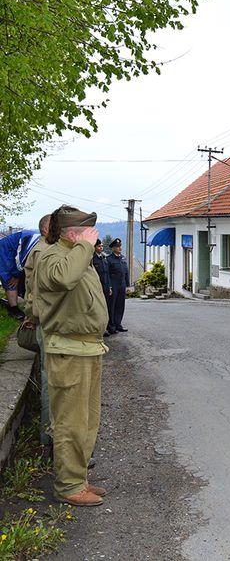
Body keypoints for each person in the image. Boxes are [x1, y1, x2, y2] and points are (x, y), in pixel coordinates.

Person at [34, 205, 109, 506]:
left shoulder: (77, 255)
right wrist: (84, 247)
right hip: (69, 350)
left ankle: (79, 478)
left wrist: (83, 249)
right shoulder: (52, 255)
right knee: (70, 422)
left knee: (87, 420)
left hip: (87, 348)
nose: (94, 235)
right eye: (88, 230)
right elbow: (63, 278)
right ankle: (68, 486)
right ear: (73, 233)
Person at [21, 215, 52, 445]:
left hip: (44, 319)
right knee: (50, 382)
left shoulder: (43, 249)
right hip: (47, 321)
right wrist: (32, 316)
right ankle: (48, 439)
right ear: (46, 229)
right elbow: (35, 290)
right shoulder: (43, 252)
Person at [0, 229, 39, 320]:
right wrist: (16, 275)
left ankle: (18, 299)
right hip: (5, 250)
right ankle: (13, 309)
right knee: (10, 279)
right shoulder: (34, 240)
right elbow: (20, 258)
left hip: (14, 250)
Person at [106, 238, 129, 333]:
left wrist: (127, 285)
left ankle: (118, 324)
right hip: (113, 283)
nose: (120, 248)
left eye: (120, 246)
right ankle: (111, 326)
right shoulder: (109, 259)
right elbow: (107, 274)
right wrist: (109, 286)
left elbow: (126, 272)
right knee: (112, 305)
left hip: (122, 284)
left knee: (120, 305)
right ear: (113, 248)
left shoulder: (122, 258)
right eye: (117, 247)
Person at [92, 240, 113, 337]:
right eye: (99, 246)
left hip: (105, 286)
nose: (101, 248)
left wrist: (109, 287)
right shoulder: (92, 258)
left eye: (102, 246)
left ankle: (105, 327)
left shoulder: (103, 258)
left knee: (105, 308)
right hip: (96, 287)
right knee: (97, 308)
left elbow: (107, 274)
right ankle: (98, 328)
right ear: (94, 247)